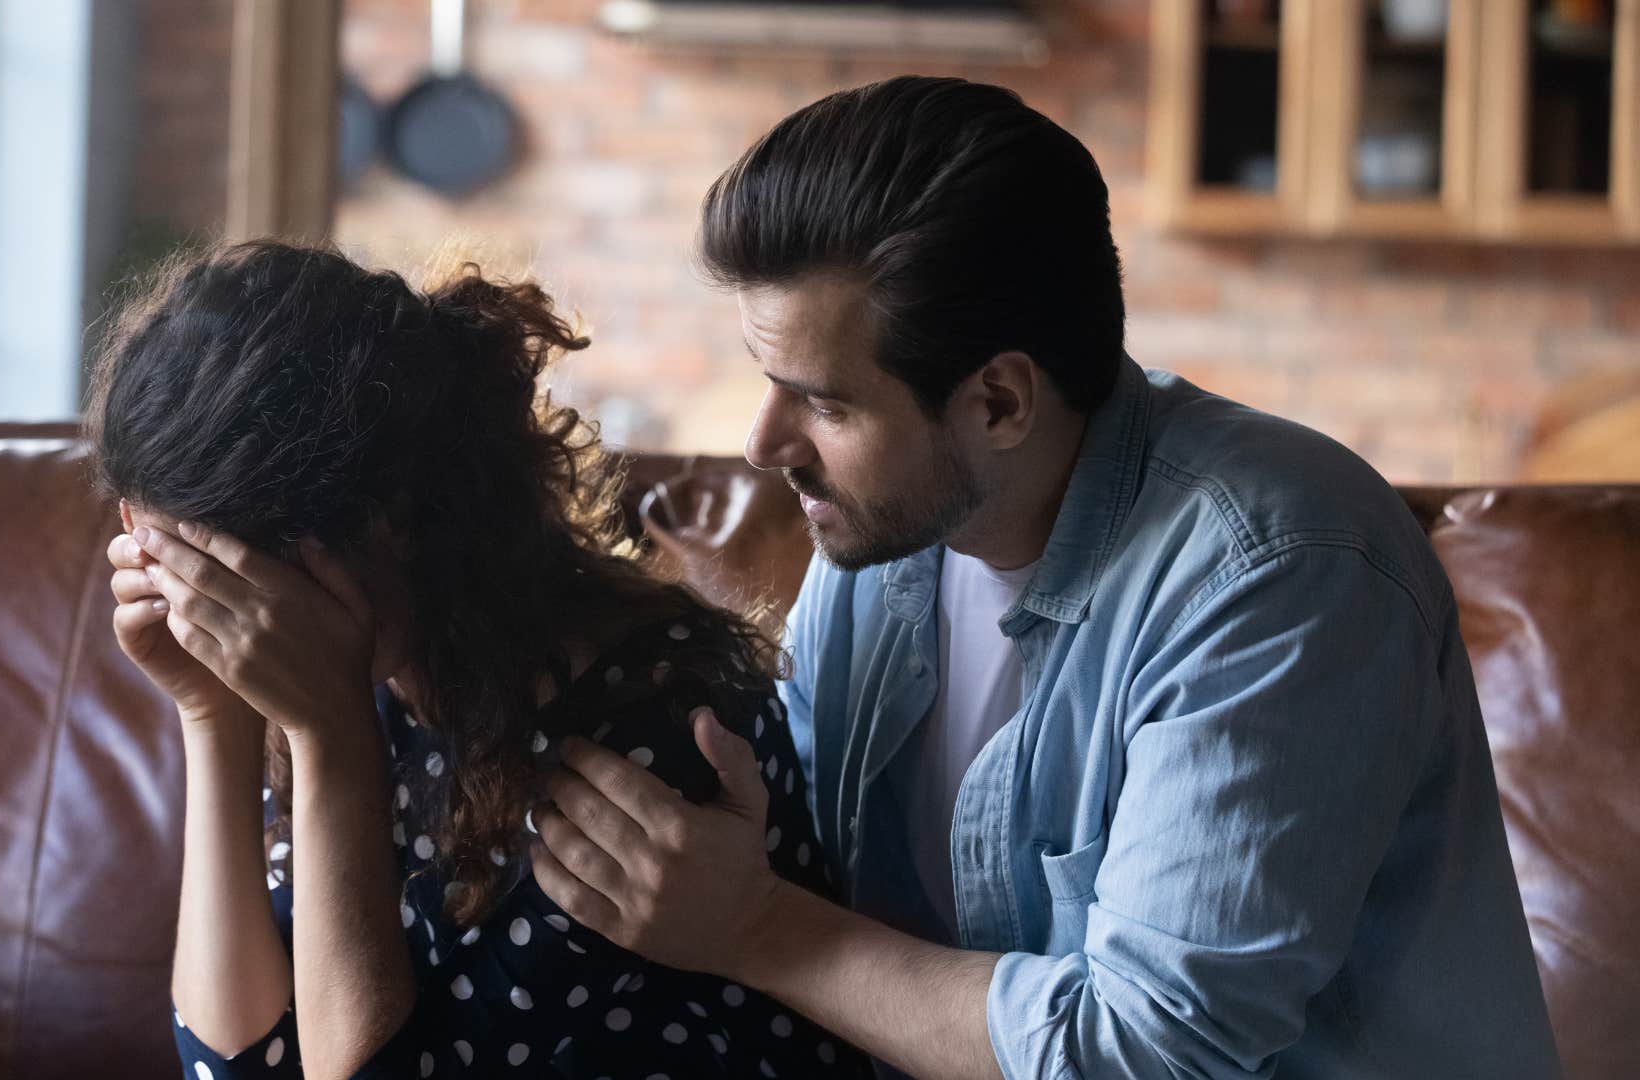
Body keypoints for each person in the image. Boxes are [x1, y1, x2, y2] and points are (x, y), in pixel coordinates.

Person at [531, 76, 1563, 1079]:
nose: (763, 445)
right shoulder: (878, 537)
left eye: (825, 405)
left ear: (999, 402)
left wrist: (756, 925)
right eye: (770, 386)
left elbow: (1150, 1054)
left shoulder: (1279, 571)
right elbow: (817, 867)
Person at [83, 240, 869, 1078]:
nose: (207, 614)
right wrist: (214, 713)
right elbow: (238, 1065)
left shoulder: (651, 730)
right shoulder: (382, 686)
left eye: (223, 575)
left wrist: (333, 739)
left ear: (391, 519)